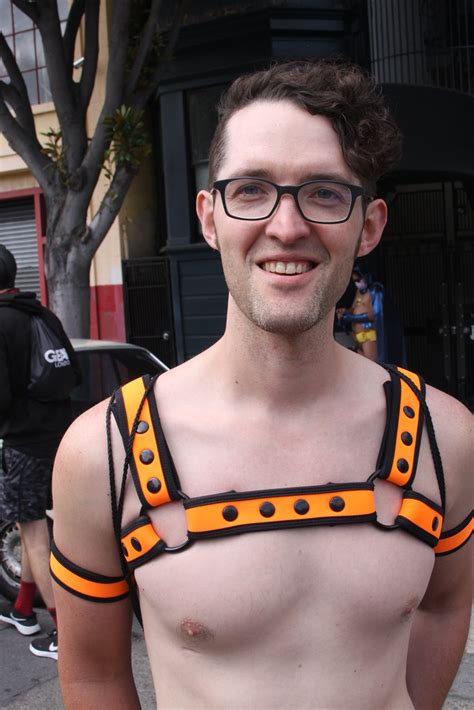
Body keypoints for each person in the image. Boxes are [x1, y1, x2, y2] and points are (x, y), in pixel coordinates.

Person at [52, 61, 472, 709]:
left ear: (371, 226)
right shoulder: (103, 454)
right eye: (251, 190)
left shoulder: (446, 438)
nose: (286, 227)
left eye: (326, 192)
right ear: (210, 216)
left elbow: (444, 609)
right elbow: (94, 675)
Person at [0, 244, 80, 661]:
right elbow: (75, 373)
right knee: (32, 527)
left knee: (32, 532)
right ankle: (21, 611)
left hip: (23, 444)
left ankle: (63, 633)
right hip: (60, 440)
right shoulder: (43, 314)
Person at [337, 265, 384, 361]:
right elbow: (354, 308)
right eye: (354, 281)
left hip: (369, 334)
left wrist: (350, 318)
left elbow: (374, 315)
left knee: (371, 364)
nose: (357, 283)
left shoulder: (375, 290)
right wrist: (345, 312)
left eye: (358, 280)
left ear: (366, 277)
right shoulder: (359, 291)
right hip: (357, 335)